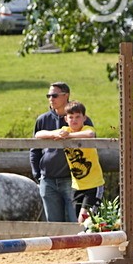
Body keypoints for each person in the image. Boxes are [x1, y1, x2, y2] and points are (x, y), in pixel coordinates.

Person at [31, 82, 91, 222]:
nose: (51, 98)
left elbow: (91, 137)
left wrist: (68, 136)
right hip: (48, 180)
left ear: (66, 96)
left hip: (73, 180)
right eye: (49, 95)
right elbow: (35, 149)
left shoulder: (79, 118)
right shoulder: (42, 119)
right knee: (54, 227)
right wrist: (37, 175)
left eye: (54, 95)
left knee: (75, 223)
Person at [36, 101, 105, 219]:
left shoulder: (86, 128)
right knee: (79, 222)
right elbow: (38, 134)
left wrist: (68, 136)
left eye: (78, 117)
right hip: (77, 186)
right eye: (71, 117)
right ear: (66, 119)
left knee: (86, 219)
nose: (74, 120)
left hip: (94, 184)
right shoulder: (65, 129)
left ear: (84, 118)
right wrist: (56, 133)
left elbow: (90, 134)